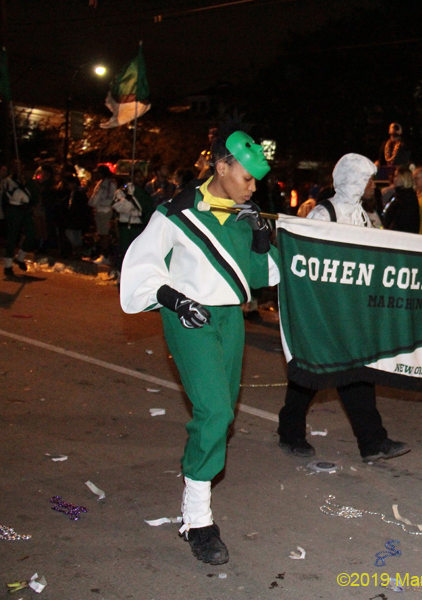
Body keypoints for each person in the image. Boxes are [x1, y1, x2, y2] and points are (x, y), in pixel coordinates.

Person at [120, 130, 281, 565]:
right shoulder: (176, 213)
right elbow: (139, 269)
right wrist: (175, 300)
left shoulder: (241, 214)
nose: (253, 187)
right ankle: (197, 519)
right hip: (189, 316)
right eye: (248, 178)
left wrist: (262, 240)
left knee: (222, 413)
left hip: (230, 319)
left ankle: (197, 480)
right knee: (215, 411)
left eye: (256, 182)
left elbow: (261, 279)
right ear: (222, 166)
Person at [277, 153, 409, 463]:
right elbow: (305, 261)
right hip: (323, 311)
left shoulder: (364, 215)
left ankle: (372, 441)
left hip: (351, 312)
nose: (370, 188)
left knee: (357, 372)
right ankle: (290, 432)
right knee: (309, 372)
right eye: (365, 181)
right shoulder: (324, 214)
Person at [113, 169, 156, 269]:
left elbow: (148, 210)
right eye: (137, 177)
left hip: (139, 227)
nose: (140, 179)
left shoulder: (143, 193)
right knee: (125, 253)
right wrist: (129, 196)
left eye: (141, 177)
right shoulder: (120, 192)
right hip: (126, 228)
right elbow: (120, 207)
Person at [1, 165, 37, 278]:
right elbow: (11, 193)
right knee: (12, 236)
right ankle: (7, 266)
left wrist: (26, 183)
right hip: (14, 209)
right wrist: (20, 184)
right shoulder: (8, 181)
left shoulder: (28, 181)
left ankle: (20, 257)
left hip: (26, 209)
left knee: (31, 234)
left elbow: (34, 194)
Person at [87, 165, 117, 264]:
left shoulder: (110, 184)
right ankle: (103, 254)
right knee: (101, 234)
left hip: (105, 211)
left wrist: (103, 205)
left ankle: (106, 255)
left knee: (105, 234)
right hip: (99, 210)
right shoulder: (100, 183)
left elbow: (112, 198)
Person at [381, 166, 420, 233]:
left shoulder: (408, 197)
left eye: (396, 176)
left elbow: (402, 221)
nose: (394, 179)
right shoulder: (397, 195)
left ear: (404, 178)